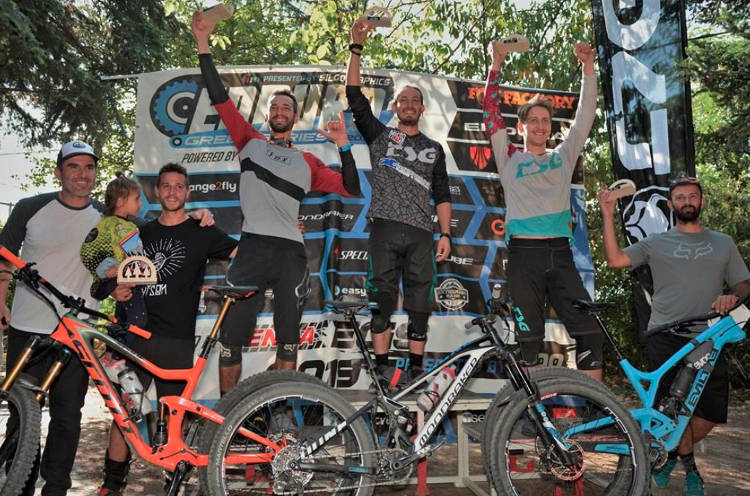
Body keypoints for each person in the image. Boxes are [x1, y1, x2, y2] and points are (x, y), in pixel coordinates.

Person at [191, 12, 362, 394]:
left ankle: (280, 412)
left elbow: (351, 189)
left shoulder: (308, 162)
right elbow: (219, 97)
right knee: (231, 339)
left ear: (294, 117)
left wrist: (344, 145)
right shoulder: (248, 141)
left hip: (290, 254)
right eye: (275, 108)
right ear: (268, 115)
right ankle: (230, 414)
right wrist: (203, 43)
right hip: (252, 249)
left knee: (288, 341)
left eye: (286, 108)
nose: (280, 112)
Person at [92, 163, 238, 496]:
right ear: (157, 192)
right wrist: (113, 289)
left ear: (188, 192)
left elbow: (241, 253)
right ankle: (111, 485)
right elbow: (106, 270)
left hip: (176, 339)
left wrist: (286, 235)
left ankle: (173, 484)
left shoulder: (202, 230)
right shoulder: (138, 232)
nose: (172, 192)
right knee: (124, 413)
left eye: (179, 186)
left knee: (174, 418)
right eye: (166, 186)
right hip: (134, 336)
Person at [599, 175, 750, 495]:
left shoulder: (723, 242)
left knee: (709, 414)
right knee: (672, 409)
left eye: (692, 196)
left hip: (710, 336)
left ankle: (670, 453)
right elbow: (615, 260)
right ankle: (692, 471)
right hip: (665, 334)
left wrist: (733, 297)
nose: (687, 202)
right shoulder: (656, 243)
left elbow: (743, 284)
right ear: (671, 205)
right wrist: (608, 215)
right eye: (680, 197)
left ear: (702, 202)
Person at [0, 140, 133, 496]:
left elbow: (142, 240)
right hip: (27, 328)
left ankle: (56, 488)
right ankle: (19, 486)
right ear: (59, 172)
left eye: (89, 167)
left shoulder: (108, 217)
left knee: (68, 416)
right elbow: (4, 257)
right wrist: (1, 303)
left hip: (76, 333)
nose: (82, 174)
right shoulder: (30, 207)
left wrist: (196, 217)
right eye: (73, 166)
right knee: (21, 415)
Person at [482, 39, 603, 380]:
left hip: (560, 254)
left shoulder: (563, 157)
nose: (539, 125)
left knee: (591, 333)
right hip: (524, 257)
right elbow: (490, 111)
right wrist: (496, 64)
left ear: (550, 127)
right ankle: (530, 411)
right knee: (528, 343)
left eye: (545, 120)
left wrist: (588, 67)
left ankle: (597, 408)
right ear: (521, 127)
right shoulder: (509, 157)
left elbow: (585, 115)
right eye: (533, 120)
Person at [346, 20, 452, 387]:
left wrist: (445, 234)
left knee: (420, 304)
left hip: (422, 233)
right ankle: (381, 368)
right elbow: (355, 97)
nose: (408, 105)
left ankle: (417, 369)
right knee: (382, 301)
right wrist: (356, 48)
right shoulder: (380, 136)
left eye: (414, 101)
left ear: (422, 109)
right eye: (403, 100)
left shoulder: (434, 148)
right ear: (394, 107)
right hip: (385, 229)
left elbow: (442, 193)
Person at [80, 171, 148, 327]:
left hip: (112, 285)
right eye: (137, 199)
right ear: (121, 201)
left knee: (121, 322)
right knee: (138, 324)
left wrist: (102, 271)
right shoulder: (126, 227)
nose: (140, 204)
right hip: (129, 285)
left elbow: (86, 252)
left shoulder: (103, 224)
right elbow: (136, 258)